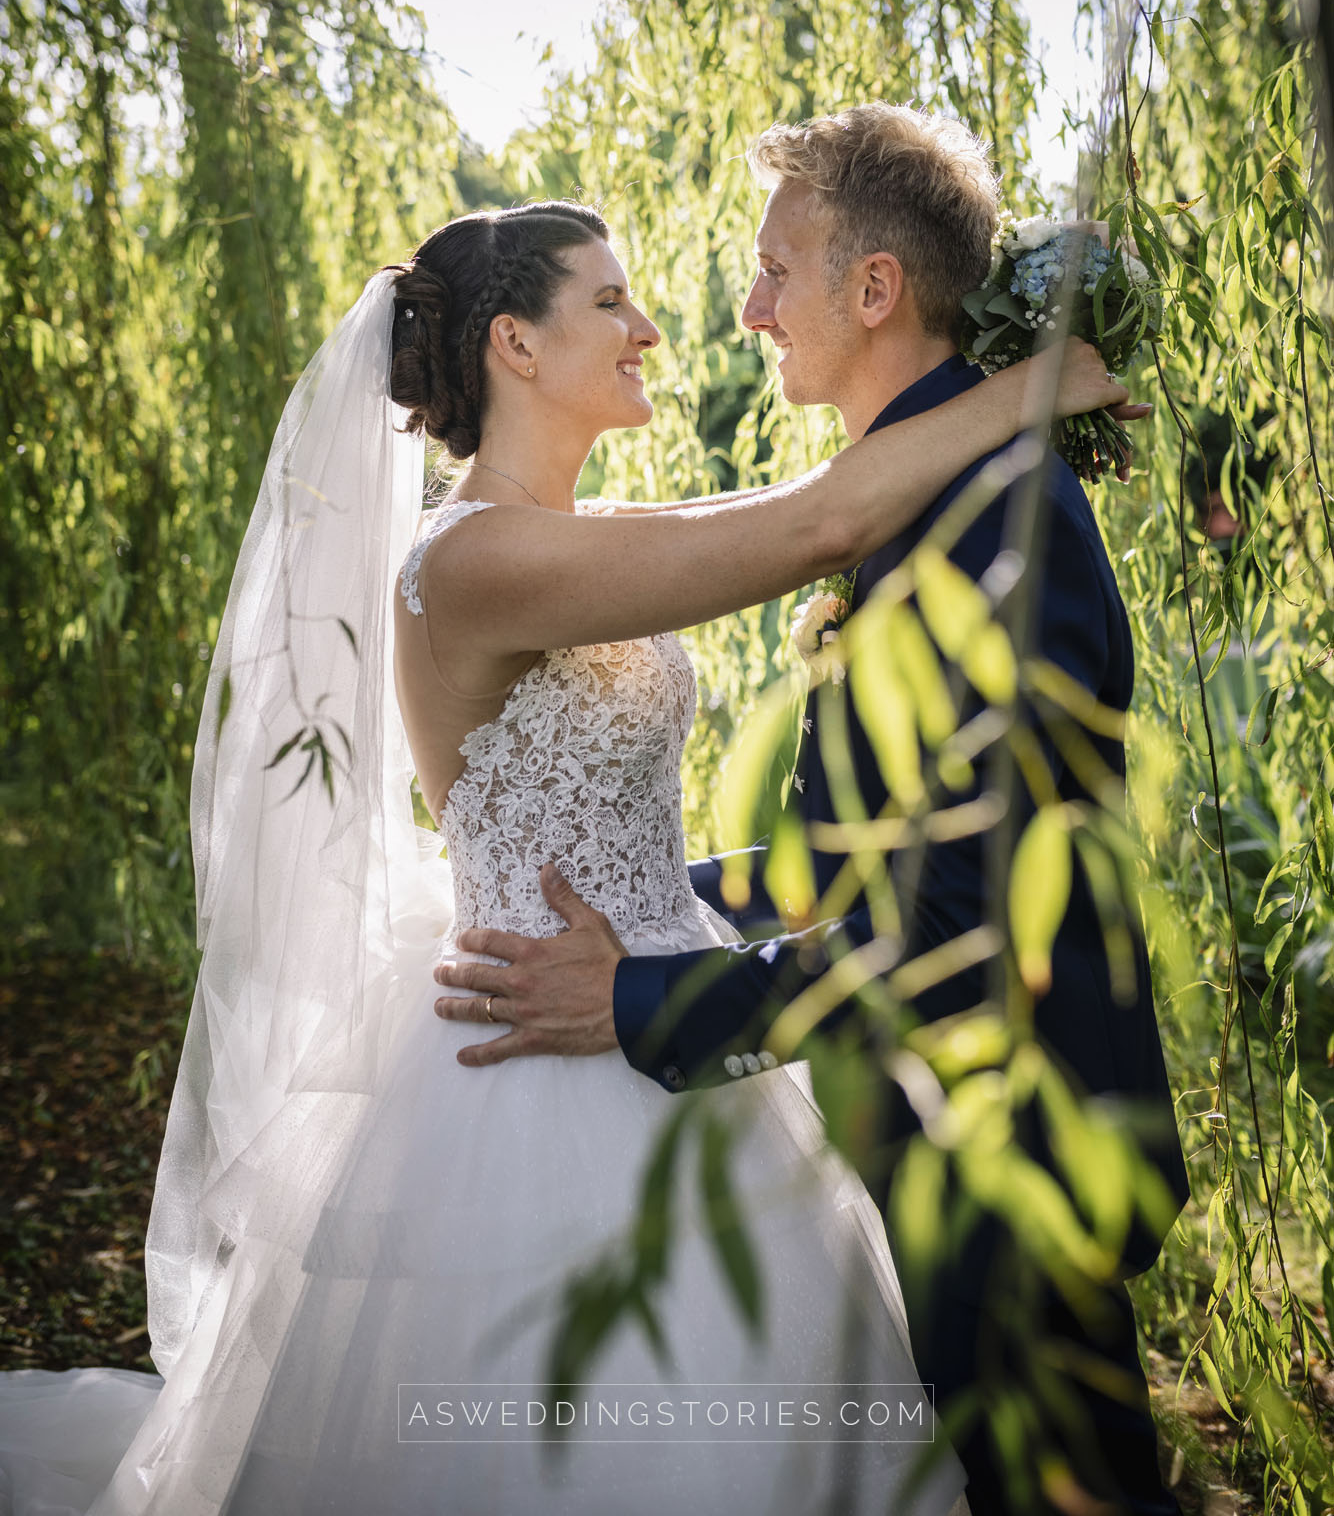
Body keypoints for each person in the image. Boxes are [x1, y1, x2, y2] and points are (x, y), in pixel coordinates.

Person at [0, 191, 1128, 1516]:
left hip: (653, 1024)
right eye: (608, 300)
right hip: (539, 1077)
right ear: (514, 347)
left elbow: (789, 505)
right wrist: (1033, 387)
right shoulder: (469, 564)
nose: (649, 329)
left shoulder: (565, 540)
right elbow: (817, 525)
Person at [430, 109, 1190, 1516]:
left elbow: (949, 913)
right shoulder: (916, 495)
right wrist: (668, 903)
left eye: (773, 269)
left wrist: (647, 997)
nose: (740, 307)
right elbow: (860, 852)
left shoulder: (988, 518)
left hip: (1012, 1161)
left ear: (875, 289)